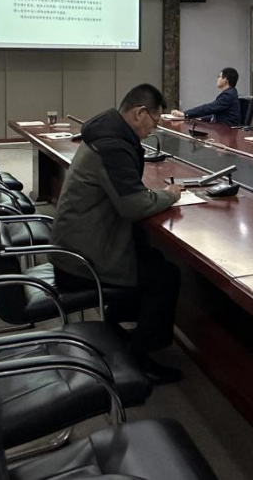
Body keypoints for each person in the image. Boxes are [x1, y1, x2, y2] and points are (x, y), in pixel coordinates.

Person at [52, 83, 184, 384]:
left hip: (74, 246)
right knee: (165, 276)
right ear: (140, 113)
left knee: (152, 257)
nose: (153, 130)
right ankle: (140, 358)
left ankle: (116, 321)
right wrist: (170, 195)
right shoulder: (113, 145)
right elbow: (133, 206)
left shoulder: (106, 132)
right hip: (80, 262)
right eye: (154, 121)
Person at [170, 67, 241, 126]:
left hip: (226, 132)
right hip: (222, 129)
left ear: (225, 79)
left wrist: (185, 114)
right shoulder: (230, 93)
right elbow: (217, 114)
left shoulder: (228, 95)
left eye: (219, 77)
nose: (218, 79)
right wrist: (201, 118)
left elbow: (210, 108)